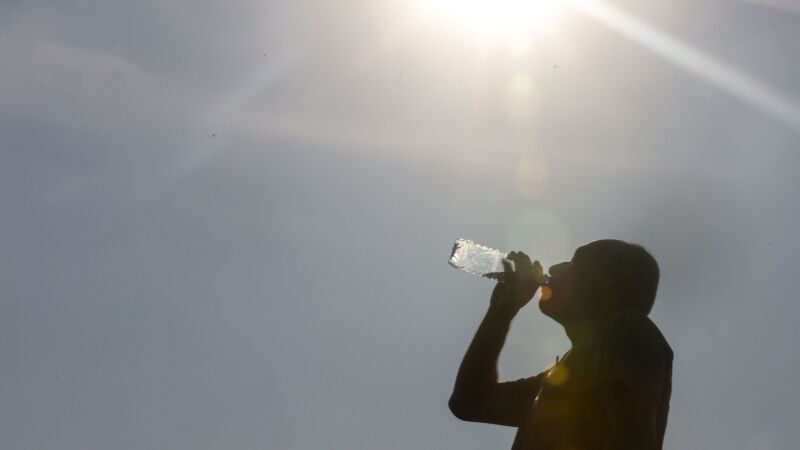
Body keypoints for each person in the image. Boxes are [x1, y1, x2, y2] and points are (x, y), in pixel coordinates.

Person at [448, 239, 672, 450]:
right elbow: (469, 401)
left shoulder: (630, 328)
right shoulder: (554, 379)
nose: (554, 268)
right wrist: (501, 311)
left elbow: (634, 440)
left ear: (612, 276)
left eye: (575, 260)